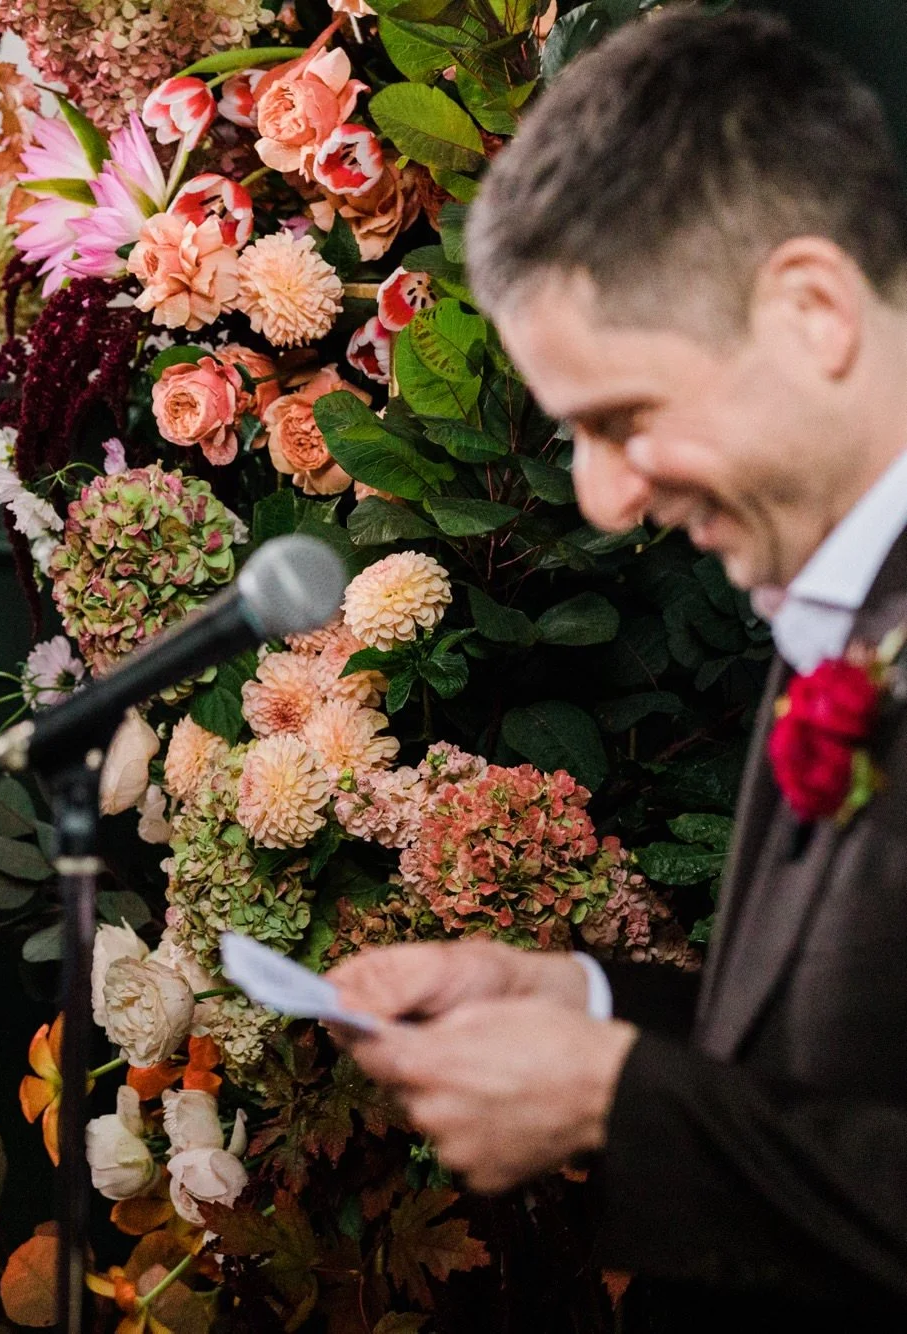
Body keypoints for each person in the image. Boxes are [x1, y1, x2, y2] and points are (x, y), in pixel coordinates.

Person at [329, 10, 907, 1324]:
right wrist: (579, 997)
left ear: (812, 310)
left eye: (624, 418)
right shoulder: (830, 586)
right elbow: (849, 1055)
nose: (600, 496)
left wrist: (607, 1095)